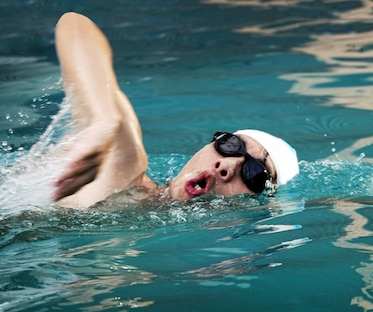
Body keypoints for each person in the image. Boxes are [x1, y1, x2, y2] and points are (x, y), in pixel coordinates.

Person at [52, 12, 299, 209]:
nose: (227, 167)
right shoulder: (125, 170)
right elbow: (74, 25)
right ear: (207, 145)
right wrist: (104, 119)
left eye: (253, 174)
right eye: (231, 145)